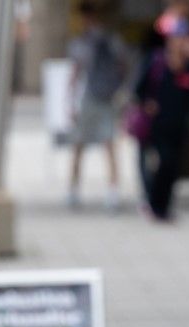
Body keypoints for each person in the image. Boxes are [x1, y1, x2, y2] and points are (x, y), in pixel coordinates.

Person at [136, 15, 189, 224]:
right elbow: (139, 88)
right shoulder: (157, 61)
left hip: (180, 125)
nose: (181, 42)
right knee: (163, 163)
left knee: (173, 167)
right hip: (158, 125)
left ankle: (164, 207)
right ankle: (154, 204)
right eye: (178, 37)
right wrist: (147, 103)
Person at [66, 5, 134, 211]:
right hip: (97, 98)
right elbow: (76, 71)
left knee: (104, 145)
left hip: (100, 98)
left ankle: (106, 192)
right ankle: (77, 190)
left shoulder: (100, 41)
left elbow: (76, 72)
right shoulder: (94, 41)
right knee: (86, 145)